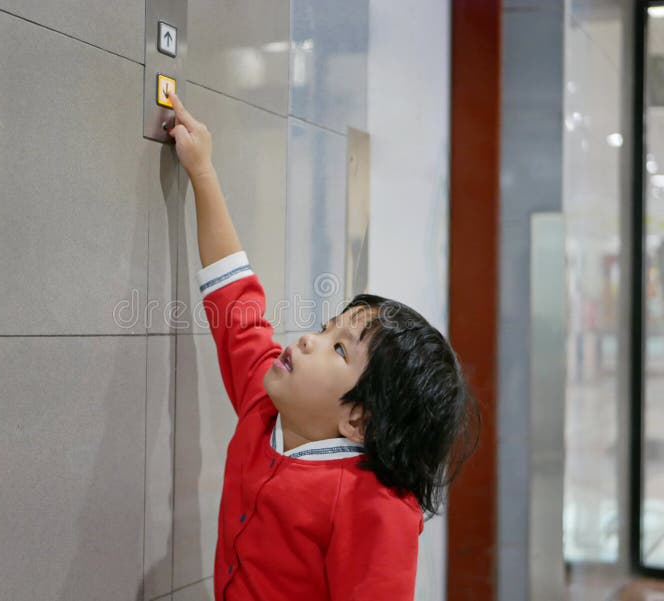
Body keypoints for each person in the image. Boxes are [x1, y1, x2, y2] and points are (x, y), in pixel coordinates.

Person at [166, 90, 480, 601]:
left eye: (339, 349)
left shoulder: (375, 508)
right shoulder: (266, 406)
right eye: (329, 327)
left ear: (358, 420)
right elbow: (236, 307)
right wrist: (202, 170)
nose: (310, 339)